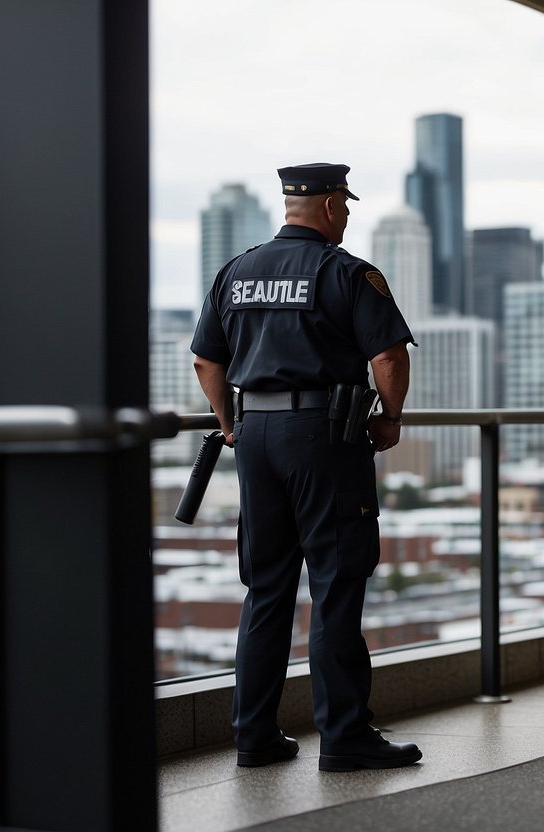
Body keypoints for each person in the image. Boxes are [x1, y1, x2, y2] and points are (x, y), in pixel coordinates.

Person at [191, 162, 422, 769]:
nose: (346, 215)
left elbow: (205, 363)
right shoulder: (346, 272)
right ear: (326, 207)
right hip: (324, 436)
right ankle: (344, 737)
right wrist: (390, 418)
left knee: (266, 591)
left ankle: (254, 737)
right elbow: (390, 359)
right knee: (337, 584)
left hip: (256, 437)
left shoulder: (235, 272)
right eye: (343, 205)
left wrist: (228, 423)